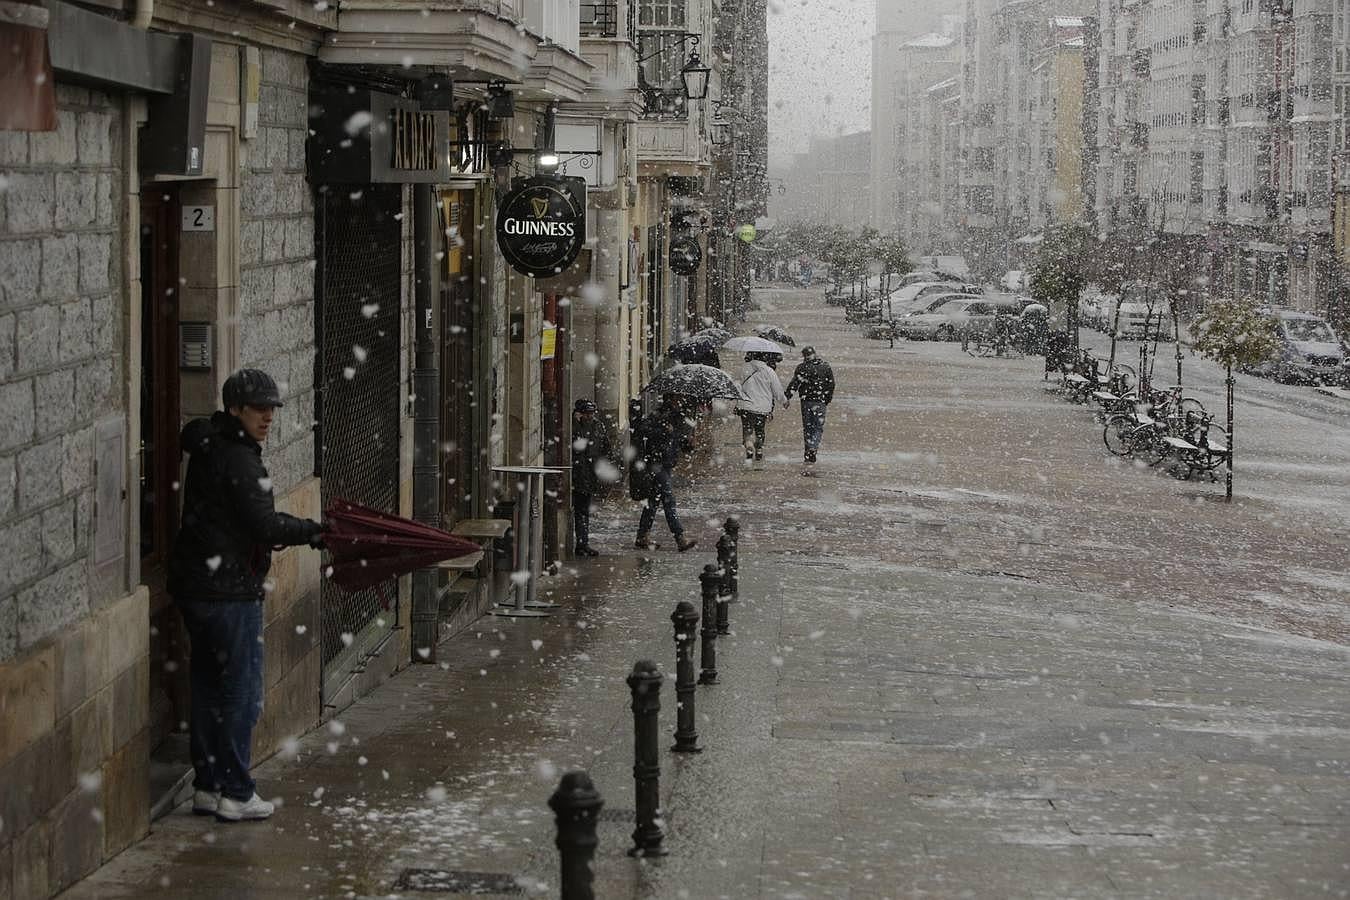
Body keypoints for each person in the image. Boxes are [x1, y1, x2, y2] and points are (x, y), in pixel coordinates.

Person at [168, 369, 325, 823]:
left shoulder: (208, 443)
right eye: (259, 409)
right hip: (228, 592)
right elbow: (265, 525)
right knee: (242, 691)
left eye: (272, 409)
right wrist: (312, 531)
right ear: (235, 409)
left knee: (207, 685)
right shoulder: (239, 458)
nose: (268, 418)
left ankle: (208, 784)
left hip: (197, 587)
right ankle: (236, 790)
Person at [632, 394, 698, 552]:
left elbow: (678, 441)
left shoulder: (679, 417)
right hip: (657, 464)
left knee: (653, 502)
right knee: (669, 501)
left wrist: (688, 444)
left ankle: (642, 536)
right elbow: (644, 431)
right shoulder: (657, 416)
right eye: (675, 399)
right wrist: (664, 431)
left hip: (667, 464)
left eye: (679, 400)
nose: (678, 402)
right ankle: (680, 538)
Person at [570, 398, 611, 557]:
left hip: (591, 473)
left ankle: (583, 543)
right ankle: (582, 543)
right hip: (579, 474)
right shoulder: (575, 427)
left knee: (584, 509)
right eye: (587, 414)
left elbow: (606, 447)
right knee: (581, 509)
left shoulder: (598, 426)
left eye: (592, 413)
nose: (590, 416)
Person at [784, 346, 835, 470]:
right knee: (818, 427)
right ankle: (813, 447)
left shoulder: (802, 368)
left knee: (808, 427)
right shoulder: (825, 366)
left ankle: (808, 451)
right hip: (820, 401)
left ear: (804, 355)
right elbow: (831, 384)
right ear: (815, 354)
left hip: (806, 401)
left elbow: (795, 384)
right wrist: (826, 399)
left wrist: (787, 397)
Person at [735, 351, 787, 469]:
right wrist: (784, 401)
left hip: (746, 406)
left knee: (747, 428)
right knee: (760, 429)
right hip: (762, 408)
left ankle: (748, 445)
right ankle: (758, 448)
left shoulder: (743, 368)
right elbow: (777, 389)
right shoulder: (769, 371)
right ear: (764, 358)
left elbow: (737, 386)